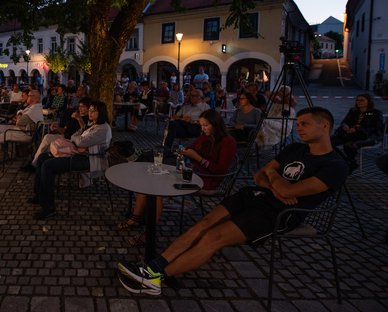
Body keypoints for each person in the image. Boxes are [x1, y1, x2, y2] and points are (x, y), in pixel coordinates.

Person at [116, 107, 348, 296]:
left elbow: (287, 189)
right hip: (255, 195)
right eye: (298, 124)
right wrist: (276, 185)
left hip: (281, 213)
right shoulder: (296, 148)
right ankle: (153, 266)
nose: (299, 128)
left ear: (324, 125)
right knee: (204, 222)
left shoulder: (335, 165)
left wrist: (274, 178)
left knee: (213, 237)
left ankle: (155, 279)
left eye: (304, 124)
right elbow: (260, 175)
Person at [118, 110, 237, 243]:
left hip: (206, 180)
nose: (202, 129)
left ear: (216, 125)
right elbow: (190, 147)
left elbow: (220, 169)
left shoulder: (228, 142)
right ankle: (136, 217)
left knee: (156, 188)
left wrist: (197, 157)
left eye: (206, 126)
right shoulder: (205, 136)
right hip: (190, 171)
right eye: (201, 125)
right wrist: (183, 151)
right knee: (152, 173)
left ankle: (148, 231)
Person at [29, 100, 112, 220]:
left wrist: (78, 142)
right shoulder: (91, 124)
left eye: (94, 111)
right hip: (78, 154)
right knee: (42, 158)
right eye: (90, 111)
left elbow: (81, 141)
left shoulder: (103, 129)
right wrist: (78, 142)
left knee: (48, 166)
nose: (90, 113)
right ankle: (39, 195)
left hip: (89, 159)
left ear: (102, 113)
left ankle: (48, 208)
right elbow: (74, 136)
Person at [27, 97, 92, 172]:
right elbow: (65, 129)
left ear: (88, 108)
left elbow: (85, 132)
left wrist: (79, 119)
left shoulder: (87, 119)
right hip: (65, 136)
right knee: (46, 139)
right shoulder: (74, 115)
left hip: (72, 141)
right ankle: (38, 164)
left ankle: (35, 164)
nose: (80, 108)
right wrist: (57, 127)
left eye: (83, 107)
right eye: (79, 106)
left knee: (47, 138)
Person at [330, 93, 383, 168]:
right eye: (357, 100)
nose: (359, 102)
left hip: (364, 135)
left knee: (349, 145)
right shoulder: (353, 111)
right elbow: (345, 121)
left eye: (362, 100)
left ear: (368, 101)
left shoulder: (375, 113)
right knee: (328, 142)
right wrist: (345, 125)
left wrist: (357, 129)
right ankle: (346, 160)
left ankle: (349, 162)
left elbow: (377, 127)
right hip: (348, 134)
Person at [162, 89, 209, 155]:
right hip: (183, 128)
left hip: (195, 128)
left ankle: (167, 148)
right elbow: (173, 117)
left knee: (175, 125)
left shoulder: (205, 107)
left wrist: (193, 121)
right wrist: (182, 118)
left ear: (199, 97)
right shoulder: (186, 107)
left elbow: (207, 121)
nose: (191, 98)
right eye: (190, 96)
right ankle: (167, 149)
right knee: (173, 124)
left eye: (193, 96)